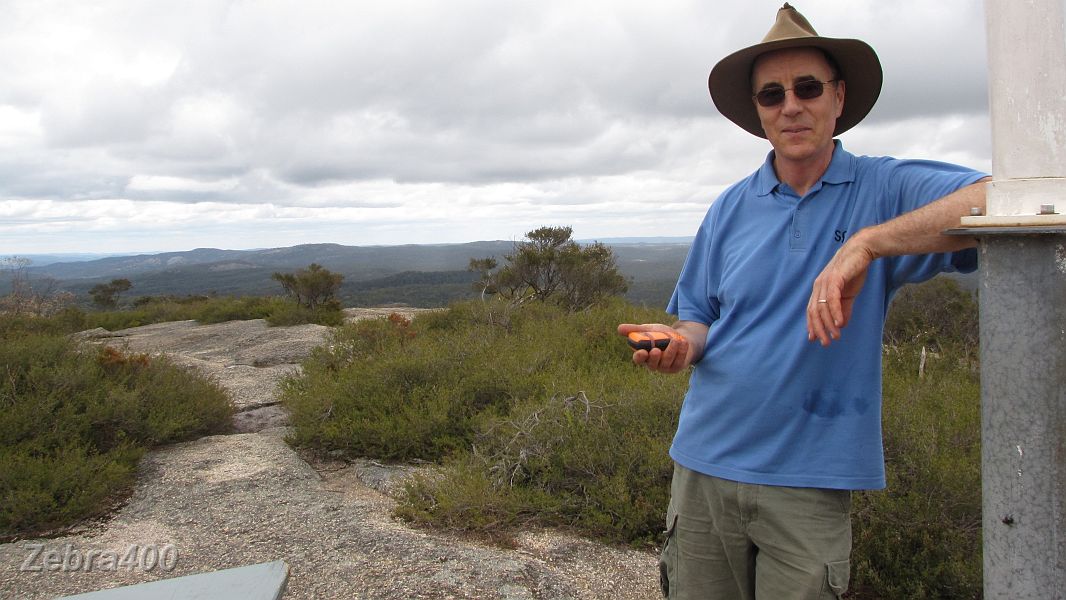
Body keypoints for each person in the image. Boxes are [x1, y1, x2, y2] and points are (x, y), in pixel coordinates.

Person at [617, 4, 988, 599]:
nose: (790, 105)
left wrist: (869, 243)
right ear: (759, 113)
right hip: (704, 464)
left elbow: (997, 198)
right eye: (771, 95)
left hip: (810, 482)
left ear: (838, 98)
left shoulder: (882, 188)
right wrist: (680, 346)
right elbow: (702, 319)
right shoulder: (730, 207)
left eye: (807, 87)